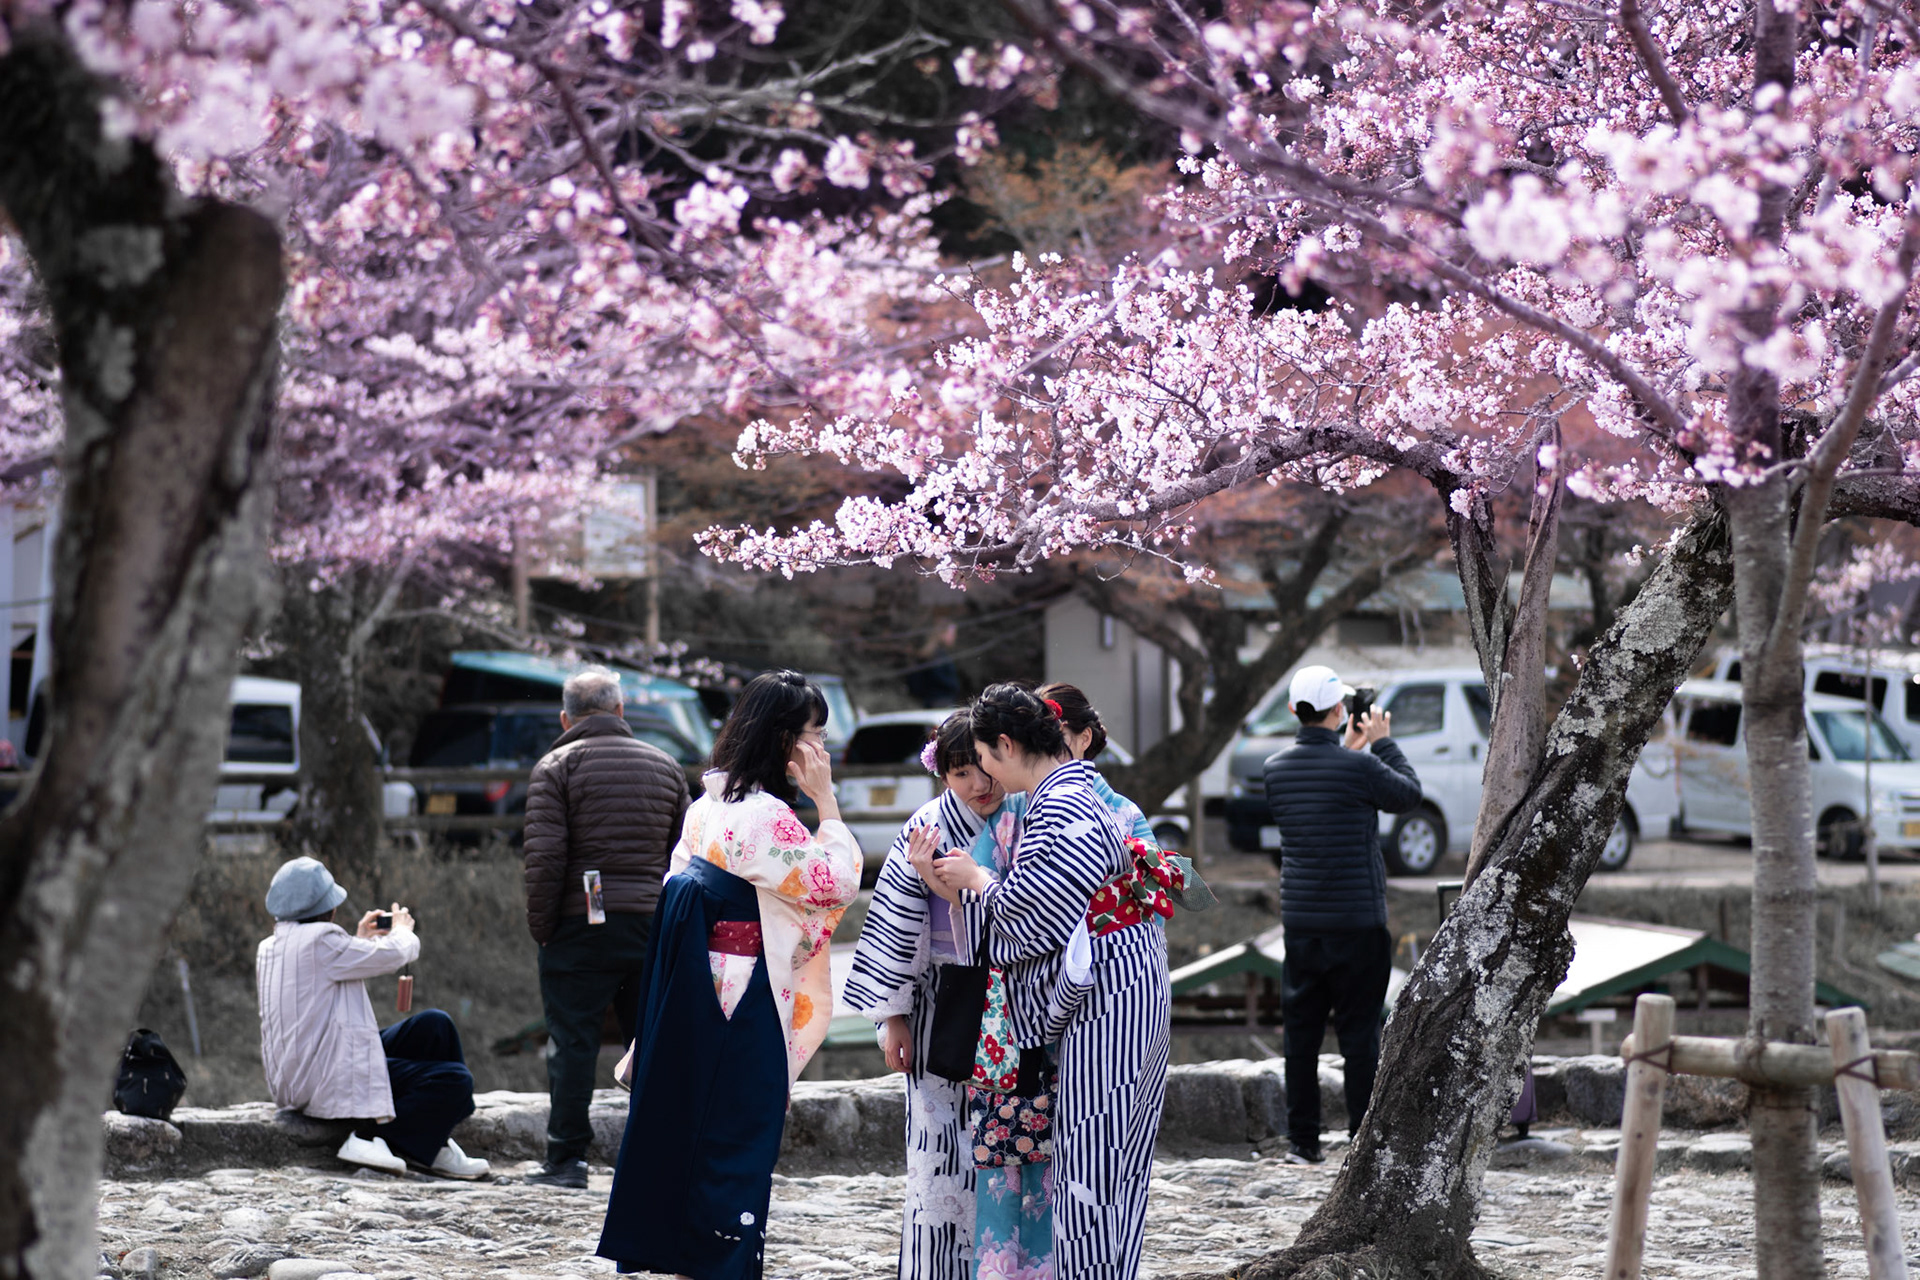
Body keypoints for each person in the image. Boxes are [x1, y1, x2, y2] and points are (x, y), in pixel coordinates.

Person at [597, 670, 862, 1280]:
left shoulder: (709, 805)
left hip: (697, 982)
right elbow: (835, 884)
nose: (820, 749)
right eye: (813, 734)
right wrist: (827, 802)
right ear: (783, 739)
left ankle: (680, 1244)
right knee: (738, 1124)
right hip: (744, 991)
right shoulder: (768, 817)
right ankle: (719, 1253)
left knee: (697, 1118)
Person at [922, 684, 1175, 1280]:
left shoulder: (1060, 803)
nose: (983, 772)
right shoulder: (1078, 791)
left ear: (1005, 745)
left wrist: (978, 880)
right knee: (1116, 1166)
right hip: (1126, 982)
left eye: (984, 756)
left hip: (1106, 1000)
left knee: (1091, 1164)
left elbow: (1037, 918)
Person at [844, 712, 1031, 1280]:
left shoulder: (1030, 814)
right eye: (960, 772)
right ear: (940, 774)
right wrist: (891, 1017)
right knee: (936, 1141)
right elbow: (895, 926)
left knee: (1012, 1147)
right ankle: (933, 1269)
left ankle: (1005, 1265)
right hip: (935, 999)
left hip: (1013, 999)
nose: (980, 784)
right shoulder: (926, 825)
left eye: (985, 767)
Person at [522, 664, 691, 1190]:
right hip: (651, 926)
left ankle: (567, 1160)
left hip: (579, 929)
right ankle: (659, 1157)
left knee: (572, 1043)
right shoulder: (665, 767)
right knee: (651, 1044)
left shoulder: (556, 766)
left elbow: (546, 860)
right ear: (621, 711)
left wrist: (544, 928)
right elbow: (685, 860)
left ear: (565, 718)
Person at [1260, 664, 1422, 1166]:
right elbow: (1408, 794)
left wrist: (1351, 749)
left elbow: (1326, 784)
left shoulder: (1275, 769)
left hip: (1303, 924)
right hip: (1358, 923)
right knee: (1359, 1036)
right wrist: (1382, 741)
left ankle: (1302, 1142)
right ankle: (1361, 1141)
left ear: (1293, 710)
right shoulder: (1362, 768)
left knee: (1301, 1037)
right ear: (1339, 710)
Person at [255, 856, 488, 1179]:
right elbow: (394, 953)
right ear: (329, 909)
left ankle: (433, 1139)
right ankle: (372, 1137)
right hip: (323, 1079)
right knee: (455, 1081)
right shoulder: (323, 942)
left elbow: (325, 969)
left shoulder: (271, 946)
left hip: (300, 1072)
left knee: (435, 1026)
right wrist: (403, 930)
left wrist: (360, 940)